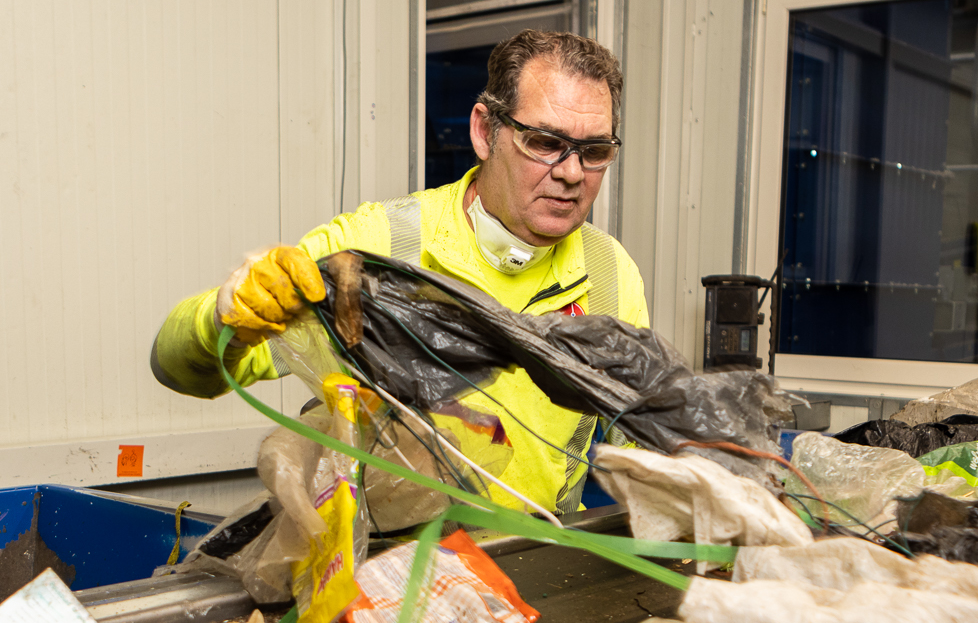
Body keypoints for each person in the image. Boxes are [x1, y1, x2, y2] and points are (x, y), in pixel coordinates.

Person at [150, 30, 648, 513]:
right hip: (390, 574)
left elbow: (640, 444)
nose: (570, 172)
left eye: (595, 151)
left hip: (538, 563)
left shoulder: (609, 273)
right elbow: (175, 368)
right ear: (484, 131)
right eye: (543, 142)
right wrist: (223, 316)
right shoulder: (379, 244)